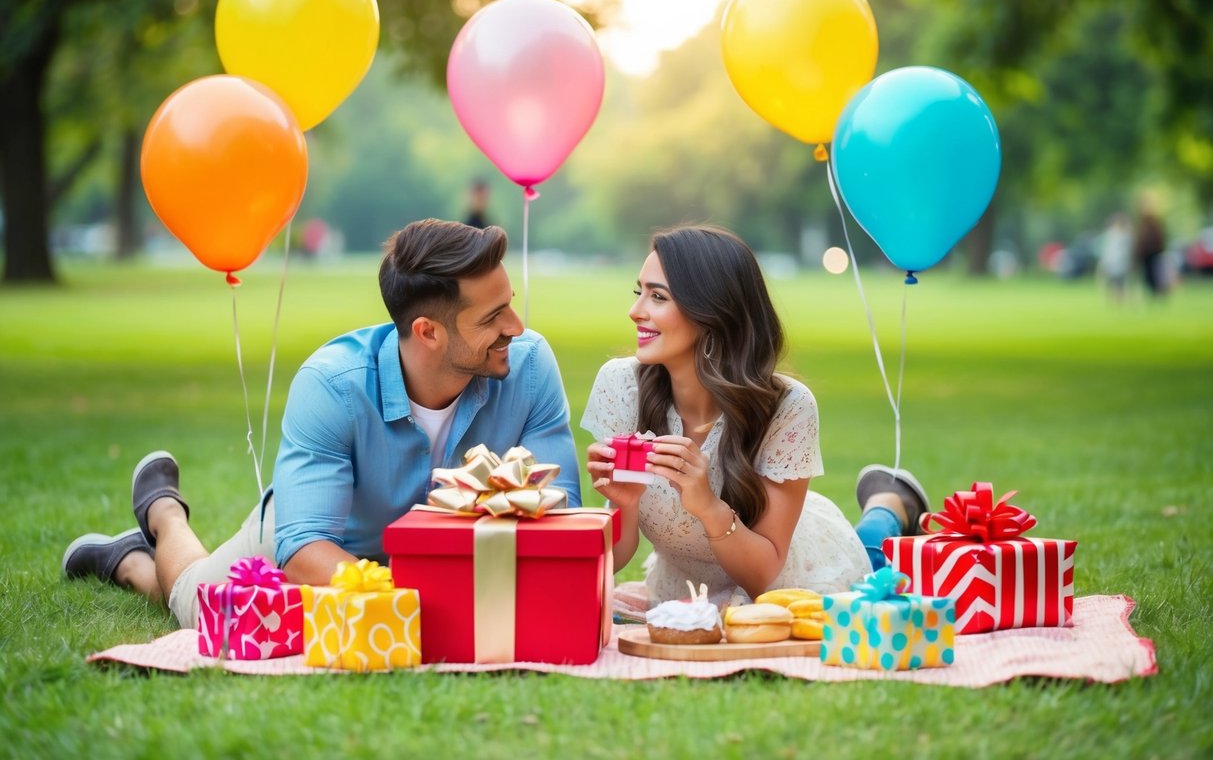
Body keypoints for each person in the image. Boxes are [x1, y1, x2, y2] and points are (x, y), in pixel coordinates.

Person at [62, 218, 582, 627]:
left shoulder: (529, 366)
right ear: (427, 332)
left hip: (443, 560)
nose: (516, 327)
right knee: (206, 610)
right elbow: (305, 548)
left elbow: (562, 513)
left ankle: (129, 553)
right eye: (492, 318)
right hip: (329, 545)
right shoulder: (332, 385)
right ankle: (160, 522)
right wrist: (412, 601)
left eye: (509, 305)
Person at [581, 226, 928, 609]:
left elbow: (762, 578)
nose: (635, 311)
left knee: (873, 564)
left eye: (657, 297)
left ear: (711, 312)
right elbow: (617, 556)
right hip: (685, 590)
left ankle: (890, 503)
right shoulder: (621, 386)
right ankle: (889, 500)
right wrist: (624, 505)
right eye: (639, 292)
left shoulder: (787, 405)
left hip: (788, 578)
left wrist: (708, 506)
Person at [1133, 202, 1168, 299]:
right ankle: (1152, 293)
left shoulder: (1154, 225)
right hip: (1145, 255)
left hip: (1153, 254)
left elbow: (1159, 239)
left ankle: (1157, 293)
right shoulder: (1142, 226)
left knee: (1155, 275)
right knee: (1148, 276)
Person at [1098, 212, 1132, 304]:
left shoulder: (1126, 235)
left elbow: (1127, 251)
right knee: (1111, 282)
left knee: (1120, 282)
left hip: (1121, 263)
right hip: (1112, 262)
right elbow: (1107, 250)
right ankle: (1113, 299)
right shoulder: (1111, 235)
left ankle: (1120, 300)